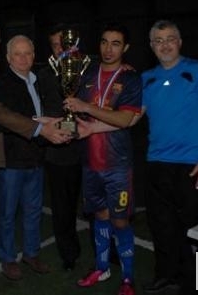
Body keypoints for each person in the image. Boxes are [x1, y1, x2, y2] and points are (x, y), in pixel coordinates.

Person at [0, 17, 69, 295]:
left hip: (27, 156)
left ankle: (11, 258)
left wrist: (53, 123)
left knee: (10, 213)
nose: (23, 58)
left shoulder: (27, 77)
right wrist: (39, 127)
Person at [141, 19, 198, 295]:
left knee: (195, 228)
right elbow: (130, 117)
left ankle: (196, 283)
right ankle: (166, 276)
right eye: (158, 40)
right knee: (161, 225)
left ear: (180, 42)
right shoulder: (146, 78)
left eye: (170, 39)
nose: (165, 45)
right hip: (156, 163)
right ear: (151, 46)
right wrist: (92, 124)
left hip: (192, 164)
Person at [63, 24, 142, 295]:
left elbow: (125, 119)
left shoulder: (130, 78)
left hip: (117, 165)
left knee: (120, 221)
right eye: (105, 42)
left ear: (125, 47)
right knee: (100, 217)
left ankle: (128, 278)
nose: (109, 49)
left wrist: (86, 106)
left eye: (116, 43)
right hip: (91, 163)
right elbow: (77, 120)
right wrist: (54, 128)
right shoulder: (86, 75)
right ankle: (102, 267)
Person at [0, 35, 50, 280]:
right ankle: (7, 258)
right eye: (17, 54)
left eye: (28, 53)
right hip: (12, 160)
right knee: (7, 212)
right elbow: (8, 118)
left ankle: (31, 253)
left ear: (34, 56)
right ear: (8, 58)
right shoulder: (1, 83)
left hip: (36, 157)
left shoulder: (38, 81)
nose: (23, 58)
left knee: (33, 210)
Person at [37, 25, 82, 271]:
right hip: (58, 151)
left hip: (90, 148)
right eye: (55, 45)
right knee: (62, 207)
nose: (60, 49)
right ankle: (69, 253)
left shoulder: (87, 69)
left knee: (98, 206)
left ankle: (108, 251)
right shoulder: (44, 75)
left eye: (64, 44)